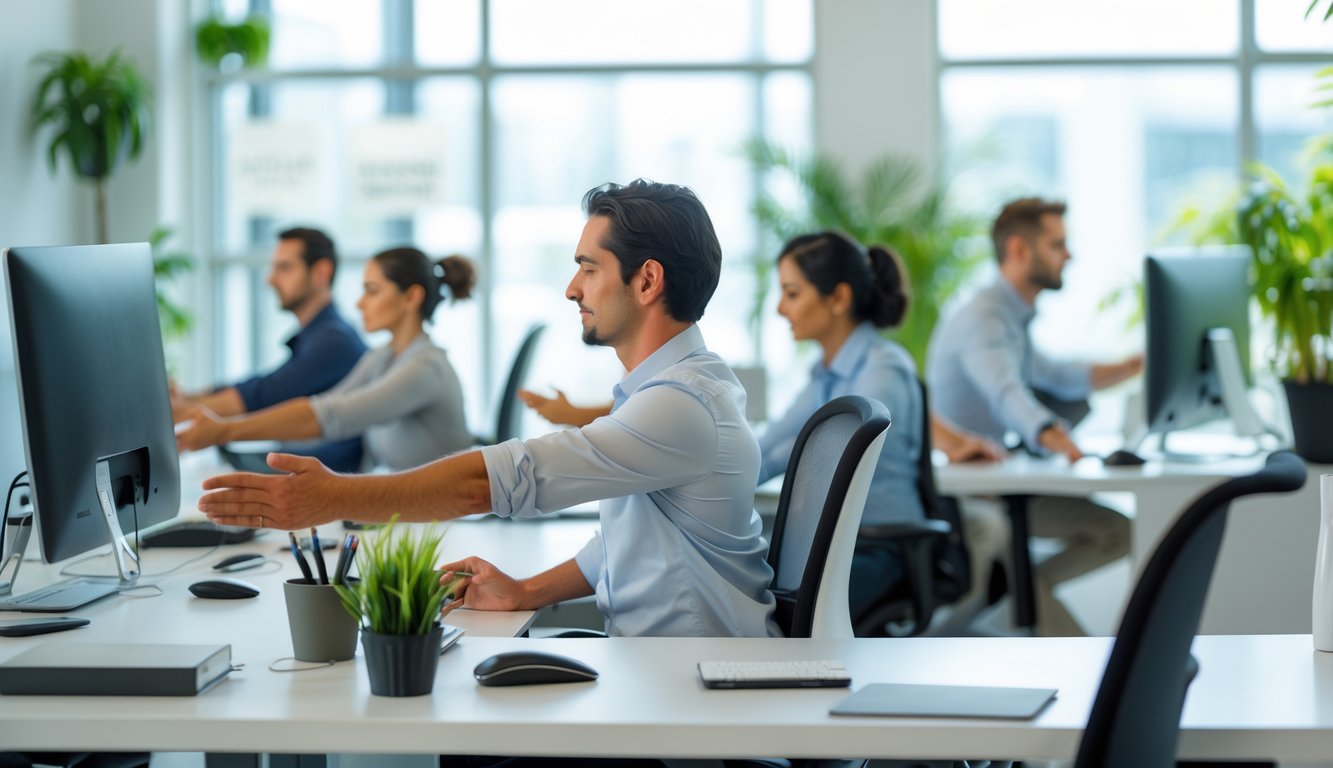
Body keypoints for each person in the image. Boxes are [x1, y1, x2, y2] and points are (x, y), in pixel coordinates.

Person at [198, 179, 778, 641]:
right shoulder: (667, 394)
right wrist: (525, 591)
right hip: (659, 681)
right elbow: (627, 546)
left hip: (693, 713)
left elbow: (494, 481)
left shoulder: (680, 407)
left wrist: (334, 498)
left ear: (647, 280)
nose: (573, 289)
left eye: (589, 267)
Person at [755, 231, 1005, 623]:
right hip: (834, 547)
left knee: (771, 615)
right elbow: (769, 446)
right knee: (742, 592)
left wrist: (753, 468)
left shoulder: (884, 368)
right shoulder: (825, 374)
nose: (780, 310)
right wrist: (715, 479)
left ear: (838, 298)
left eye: (791, 293)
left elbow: (826, 453)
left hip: (883, 549)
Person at [927, 197, 1141, 636]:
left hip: (1000, 480)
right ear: (1021, 250)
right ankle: (1088, 671)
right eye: (1058, 244)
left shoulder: (1010, 316)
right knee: (1114, 531)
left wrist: (1129, 367)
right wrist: (1049, 433)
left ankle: (1024, 585)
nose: (1069, 255)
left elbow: (1056, 373)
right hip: (975, 493)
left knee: (1117, 531)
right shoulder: (985, 318)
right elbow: (1005, 390)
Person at [177, 247, 477, 471]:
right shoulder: (383, 358)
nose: (359, 303)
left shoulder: (425, 369)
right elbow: (327, 402)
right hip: (410, 518)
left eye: (372, 291)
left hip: (448, 526)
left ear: (411, 297)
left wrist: (224, 431)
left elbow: (332, 416)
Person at [172, 227, 367, 472]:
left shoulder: (335, 340)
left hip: (329, 475)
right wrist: (188, 399)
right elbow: (261, 385)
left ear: (321, 272)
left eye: (284, 268)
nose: (270, 279)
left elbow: (263, 394)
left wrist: (179, 411)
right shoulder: (320, 334)